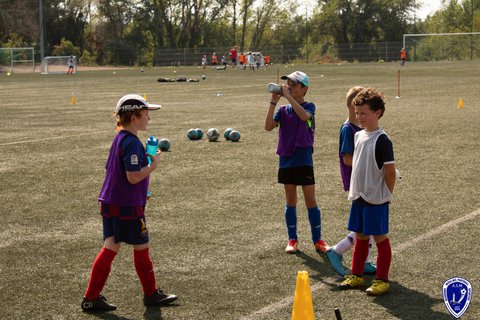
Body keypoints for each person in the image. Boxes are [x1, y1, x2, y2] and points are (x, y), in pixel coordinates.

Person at [81, 94, 178, 312]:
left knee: (110, 247)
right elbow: (133, 176)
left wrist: (142, 192)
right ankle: (151, 294)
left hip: (111, 203)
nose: (148, 119)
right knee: (141, 247)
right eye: (145, 115)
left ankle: (91, 298)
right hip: (126, 207)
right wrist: (154, 165)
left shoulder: (120, 138)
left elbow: (113, 172)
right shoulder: (132, 143)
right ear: (133, 117)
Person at [338, 88, 396, 296]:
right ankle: (356, 275)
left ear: (378, 112)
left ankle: (382, 279)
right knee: (361, 236)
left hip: (376, 199)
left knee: (380, 237)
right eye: (357, 113)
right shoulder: (359, 135)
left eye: (364, 113)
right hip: (359, 196)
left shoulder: (382, 140)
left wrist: (384, 194)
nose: (359, 117)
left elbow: (390, 172)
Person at [264, 71, 328, 254]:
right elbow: (268, 127)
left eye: (294, 84)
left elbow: (304, 116)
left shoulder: (310, 107)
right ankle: (292, 239)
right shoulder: (283, 111)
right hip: (286, 159)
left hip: (303, 159)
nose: (290, 87)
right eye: (288, 84)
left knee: (310, 200)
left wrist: (288, 97)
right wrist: (274, 102)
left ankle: (318, 240)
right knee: (290, 199)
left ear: (304, 88)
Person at [325, 87, 377, 276]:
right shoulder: (348, 129)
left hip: (366, 180)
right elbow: (347, 159)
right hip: (358, 181)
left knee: (368, 224)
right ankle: (336, 251)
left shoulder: (362, 128)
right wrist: (370, 164)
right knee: (367, 224)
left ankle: (363, 261)